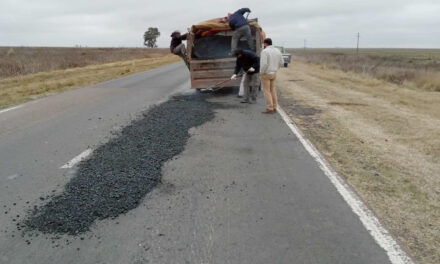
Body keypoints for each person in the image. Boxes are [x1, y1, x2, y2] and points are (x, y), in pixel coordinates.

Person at [259, 38, 285, 114]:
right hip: (274, 73)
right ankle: (274, 107)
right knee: (273, 90)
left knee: (266, 91)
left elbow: (264, 64)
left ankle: (269, 108)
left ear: (265, 43)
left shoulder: (265, 51)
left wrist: (261, 72)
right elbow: (282, 63)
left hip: (266, 73)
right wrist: (276, 68)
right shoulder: (277, 51)